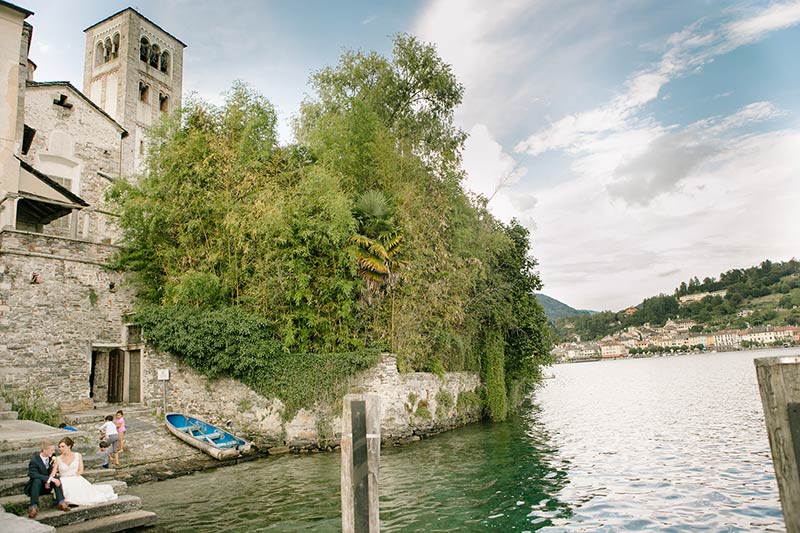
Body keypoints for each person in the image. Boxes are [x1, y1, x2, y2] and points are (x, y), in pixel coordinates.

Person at [53, 436, 118, 506]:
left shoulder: (77, 455)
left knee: (80, 487)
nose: (61, 449)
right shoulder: (58, 458)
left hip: (75, 476)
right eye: (59, 447)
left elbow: (81, 470)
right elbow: (53, 473)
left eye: (63, 446)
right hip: (64, 479)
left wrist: (75, 476)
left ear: (69, 446)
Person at [24, 440, 69, 518]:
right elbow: (33, 474)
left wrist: (50, 480)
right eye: (51, 450)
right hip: (37, 487)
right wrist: (49, 479)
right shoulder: (34, 461)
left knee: (56, 478)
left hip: (48, 486)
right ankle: (33, 507)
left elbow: (53, 470)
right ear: (44, 450)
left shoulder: (52, 456)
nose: (53, 451)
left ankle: (61, 502)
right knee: (37, 480)